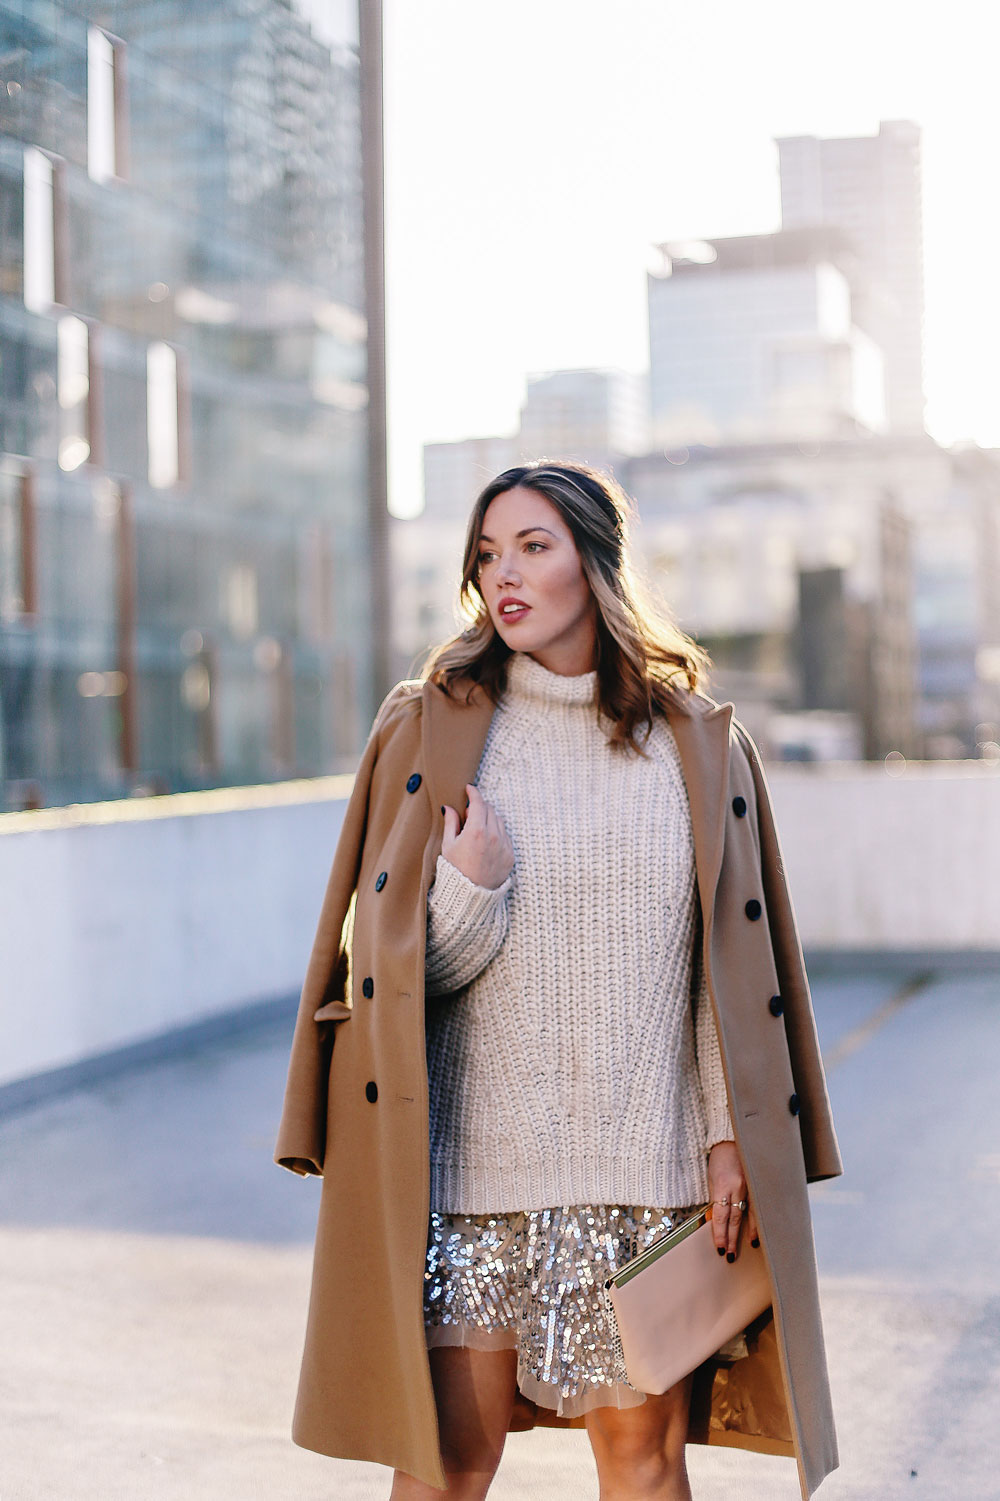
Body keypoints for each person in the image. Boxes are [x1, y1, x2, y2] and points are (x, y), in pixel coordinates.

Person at [274, 462, 843, 1501]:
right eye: (487, 554)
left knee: (641, 1461)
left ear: (594, 560)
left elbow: (713, 964)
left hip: (643, 1171)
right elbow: (397, 980)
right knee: (448, 1465)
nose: (504, 574)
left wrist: (725, 1134)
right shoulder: (429, 728)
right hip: (474, 1175)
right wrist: (471, 889)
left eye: (532, 546)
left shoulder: (693, 744)